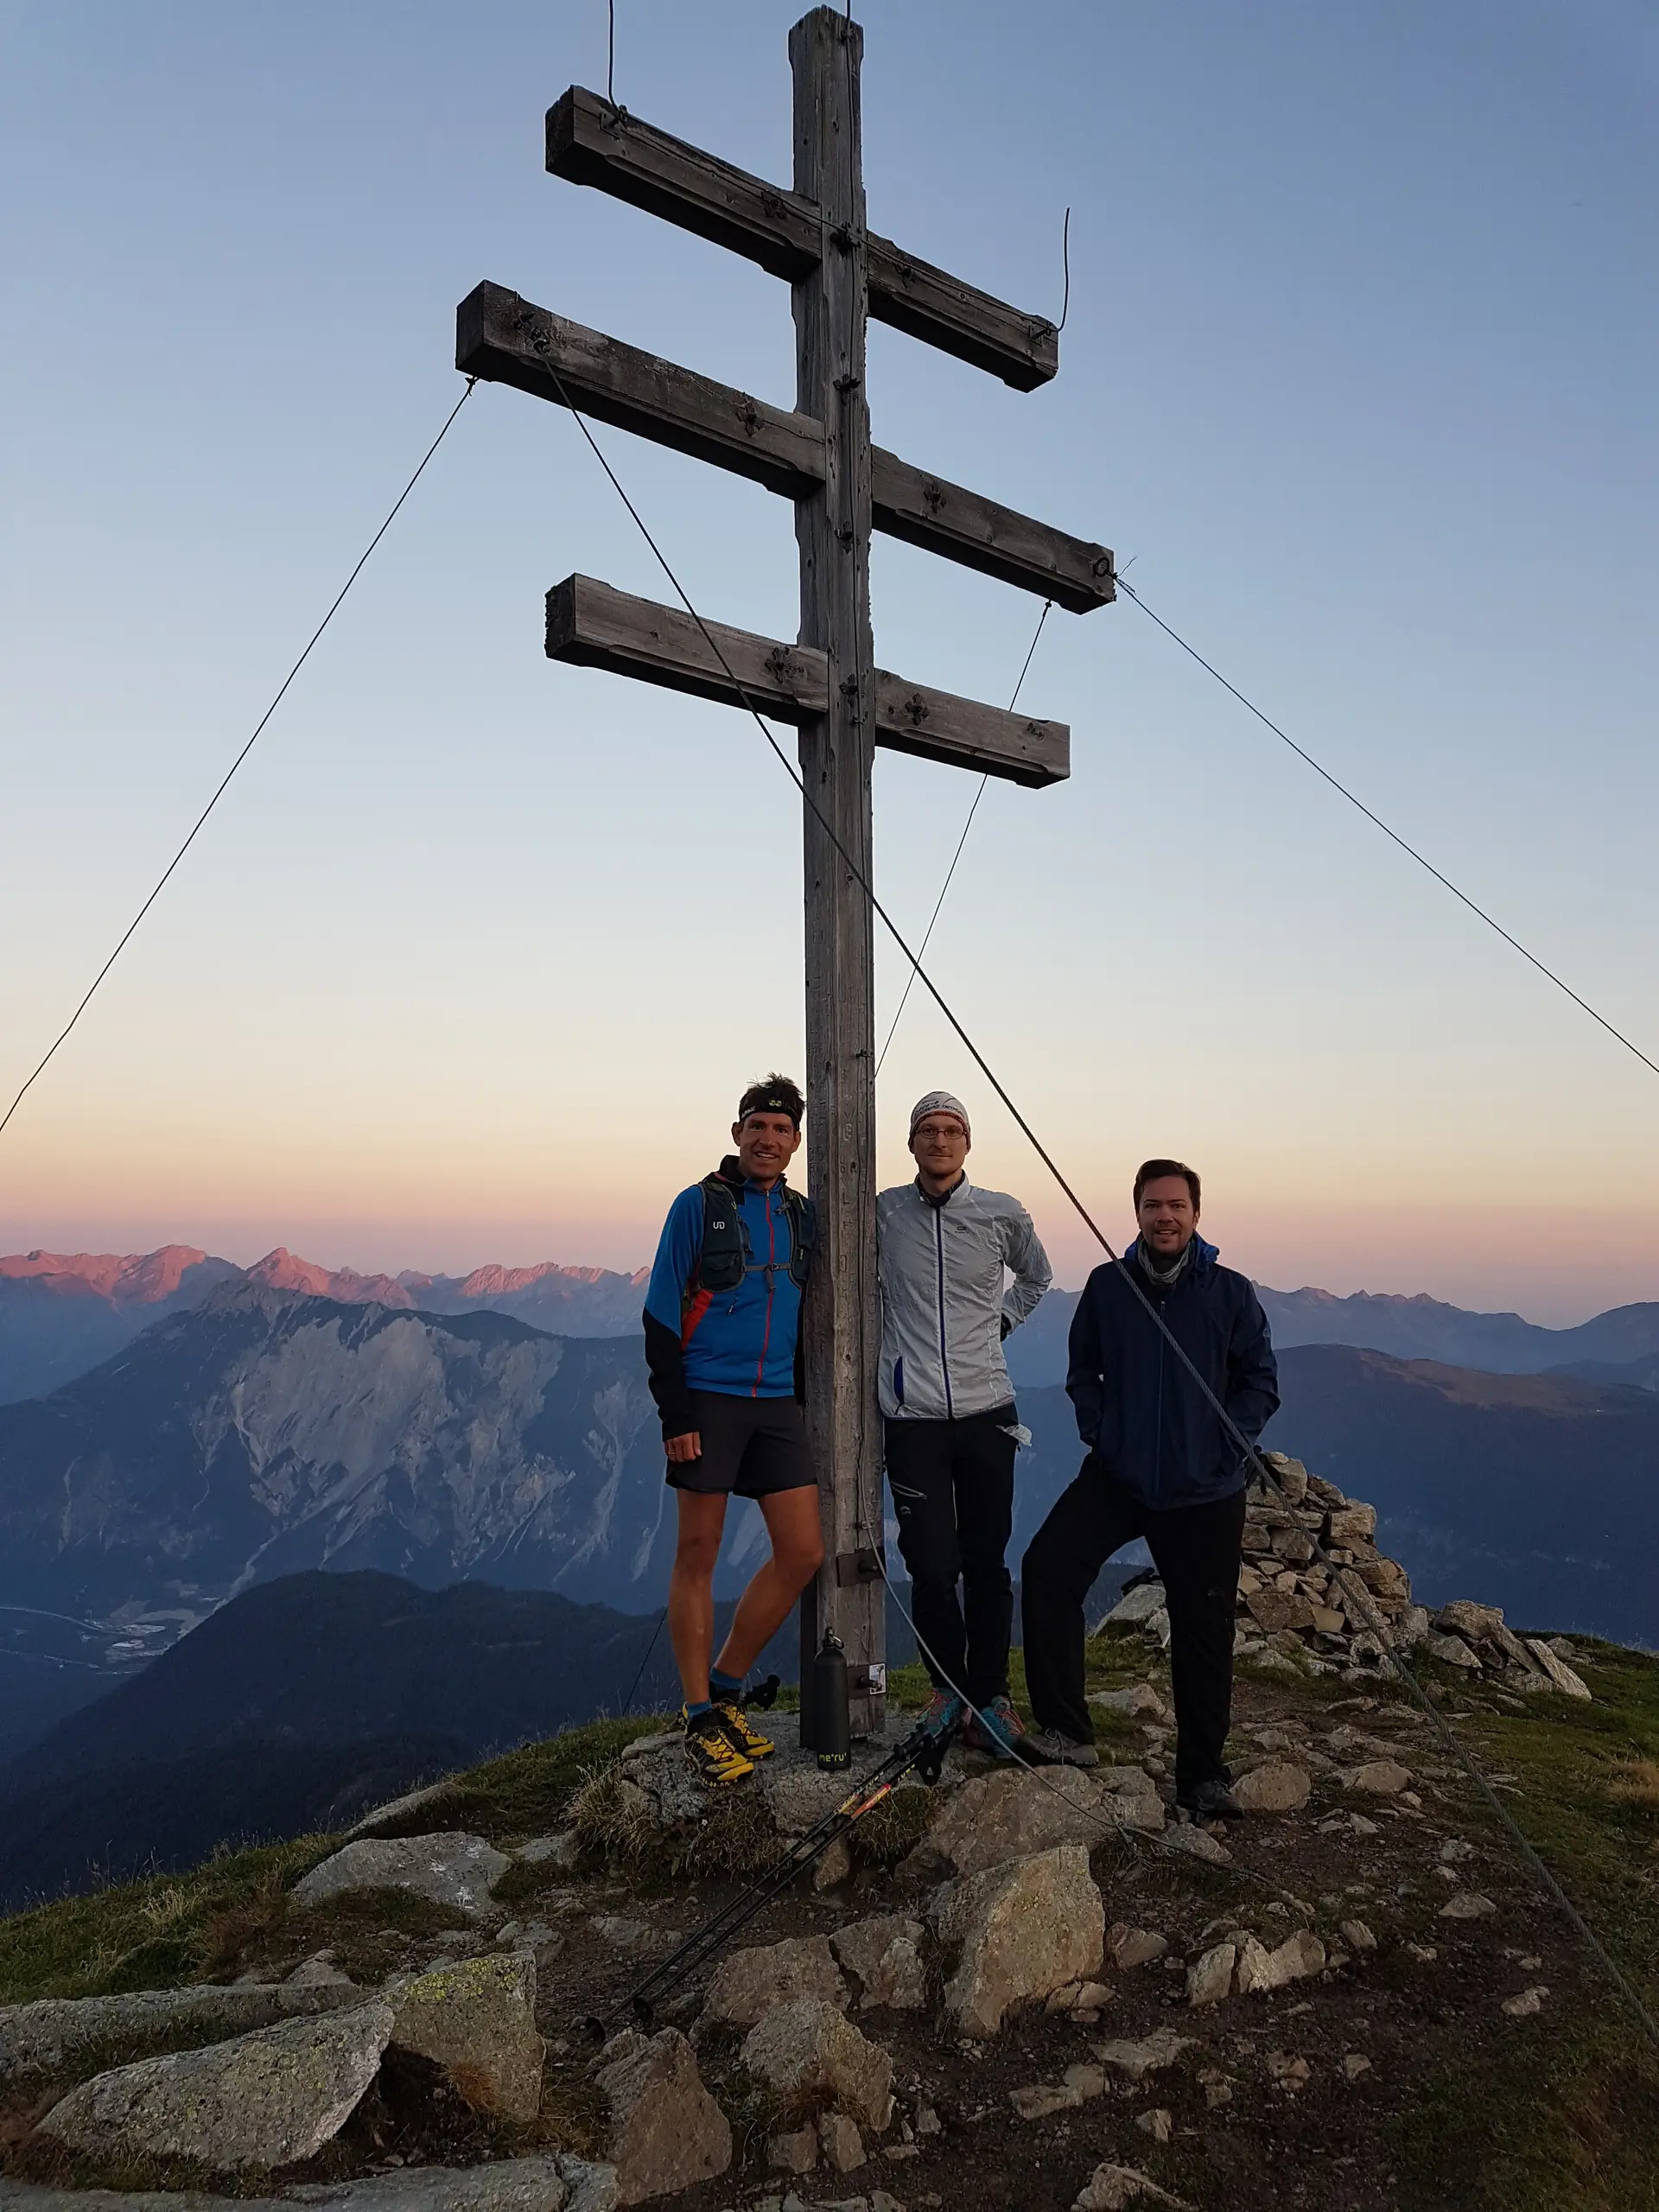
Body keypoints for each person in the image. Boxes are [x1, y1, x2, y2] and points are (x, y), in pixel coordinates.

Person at [1020, 1159, 1279, 1819]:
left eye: (1177, 1206)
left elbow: (1259, 1382)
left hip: (1205, 1489)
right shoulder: (1109, 1287)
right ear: (1135, 1213)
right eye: (1153, 1206)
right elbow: (1084, 1372)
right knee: (1048, 1569)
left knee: (1203, 1626)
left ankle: (1201, 1778)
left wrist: (1227, 1444)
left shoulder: (1229, 1292)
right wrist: (1103, 1437)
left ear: (1196, 1215)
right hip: (1122, 1475)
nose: (1165, 1217)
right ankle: (1067, 1732)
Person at [643, 1074, 823, 1785]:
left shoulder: (803, 1216)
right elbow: (661, 1313)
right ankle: (696, 1717)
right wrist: (676, 1413)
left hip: (777, 1402)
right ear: (737, 1133)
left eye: (781, 1131)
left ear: (795, 1142)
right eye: (758, 1128)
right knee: (698, 1550)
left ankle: (725, 1687)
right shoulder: (697, 1206)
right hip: (709, 1398)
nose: (768, 1141)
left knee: (803, 1551)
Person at [877, 1090, 1052, 1755]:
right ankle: (946, 1691)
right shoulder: (883, 1213)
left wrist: (1000, 1324)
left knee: (986, 1561)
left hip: (987, 1413)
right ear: (913, 1142)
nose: (940, 1140)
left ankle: (991, 1698)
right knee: (929, 1563)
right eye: (929, 1130)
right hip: (913, 1416)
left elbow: (1037, 1277)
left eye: (952, 1130)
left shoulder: (1002, 1214)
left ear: (968, 1143)